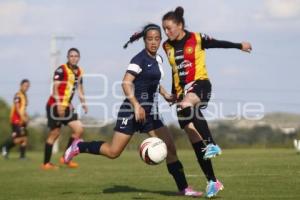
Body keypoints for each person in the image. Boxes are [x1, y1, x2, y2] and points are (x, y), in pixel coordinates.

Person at [64, 23, 202, 197]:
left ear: (161, 40)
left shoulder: (158, 59)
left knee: (170, 149)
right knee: (113, 152)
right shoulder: (139, 59)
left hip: (150, 113)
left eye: (157, 39)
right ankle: (79, 146)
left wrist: (166, 94)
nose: (154, 42)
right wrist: (136, 105)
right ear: (144, 40)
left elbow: (153, 82)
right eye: (150, 39)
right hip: (131, 111)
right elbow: (126, 82)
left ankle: (184, 189)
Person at [161, 6, 252, 198]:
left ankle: (212, 143)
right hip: (181, 94)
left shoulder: (197, 38)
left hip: (200, 84)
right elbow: (174, 71)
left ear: (180, 25)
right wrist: (172, 93)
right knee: (194, 139)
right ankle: (213, 180)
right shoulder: (166, 46)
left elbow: (218, 43)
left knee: (189, 105)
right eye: (164, 29)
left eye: (169, 28)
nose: (166, 32)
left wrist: (239, 46)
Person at [41, 48, 88, 170]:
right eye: (71, 56)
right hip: (54, 105)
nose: (73, 58)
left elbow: (80, 89)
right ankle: (46, 163)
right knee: (55, 133)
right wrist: (59, 104)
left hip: (67, 106)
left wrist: (84, 103)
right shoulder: (61, 70)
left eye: (76, 56)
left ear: (79, 58)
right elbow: (55, 88)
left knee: (79, 129)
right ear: (67, 57)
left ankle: (65, 158)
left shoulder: (79, 71)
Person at [1, 79, 30, 159]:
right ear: (21, 86)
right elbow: (17, 108)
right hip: (16, 120)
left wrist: (27, 117)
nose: (26, 87)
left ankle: (22, 156)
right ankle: (5, 147)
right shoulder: (18, 95)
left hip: (22, 120)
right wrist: (22, 117)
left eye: (28, 86)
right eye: (25, 86)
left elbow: (23, 109)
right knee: (21, 138)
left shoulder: (25, 96)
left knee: (24, 138)